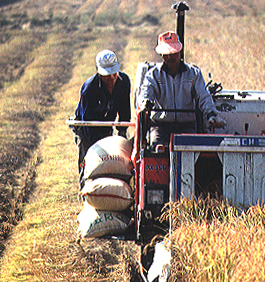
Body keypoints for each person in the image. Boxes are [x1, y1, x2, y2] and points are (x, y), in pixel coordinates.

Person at [137, 31, 225, 149]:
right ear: (161, 55)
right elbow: (146, 91)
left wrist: (211, 114)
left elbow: (203, 96)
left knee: (190, 150)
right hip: (161, 126)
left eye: (173, 53)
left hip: (186, 126)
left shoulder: (194, 74)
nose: (170, 57)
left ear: (180, 52)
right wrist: (146, 102)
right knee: (156, 149)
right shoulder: (153, 75)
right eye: (166, 54)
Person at [74, 49, 131, 186]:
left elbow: (125, 110)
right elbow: (86, 121)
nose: (111, 78)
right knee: (89, 160)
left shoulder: (124, 82)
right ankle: (85, 187)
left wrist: (121, 133)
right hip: (87, 128)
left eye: (114, 74)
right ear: (98, 72)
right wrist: (96, 146)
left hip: (106, 125)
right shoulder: (90, 89)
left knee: (110, 160)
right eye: (106, 75)